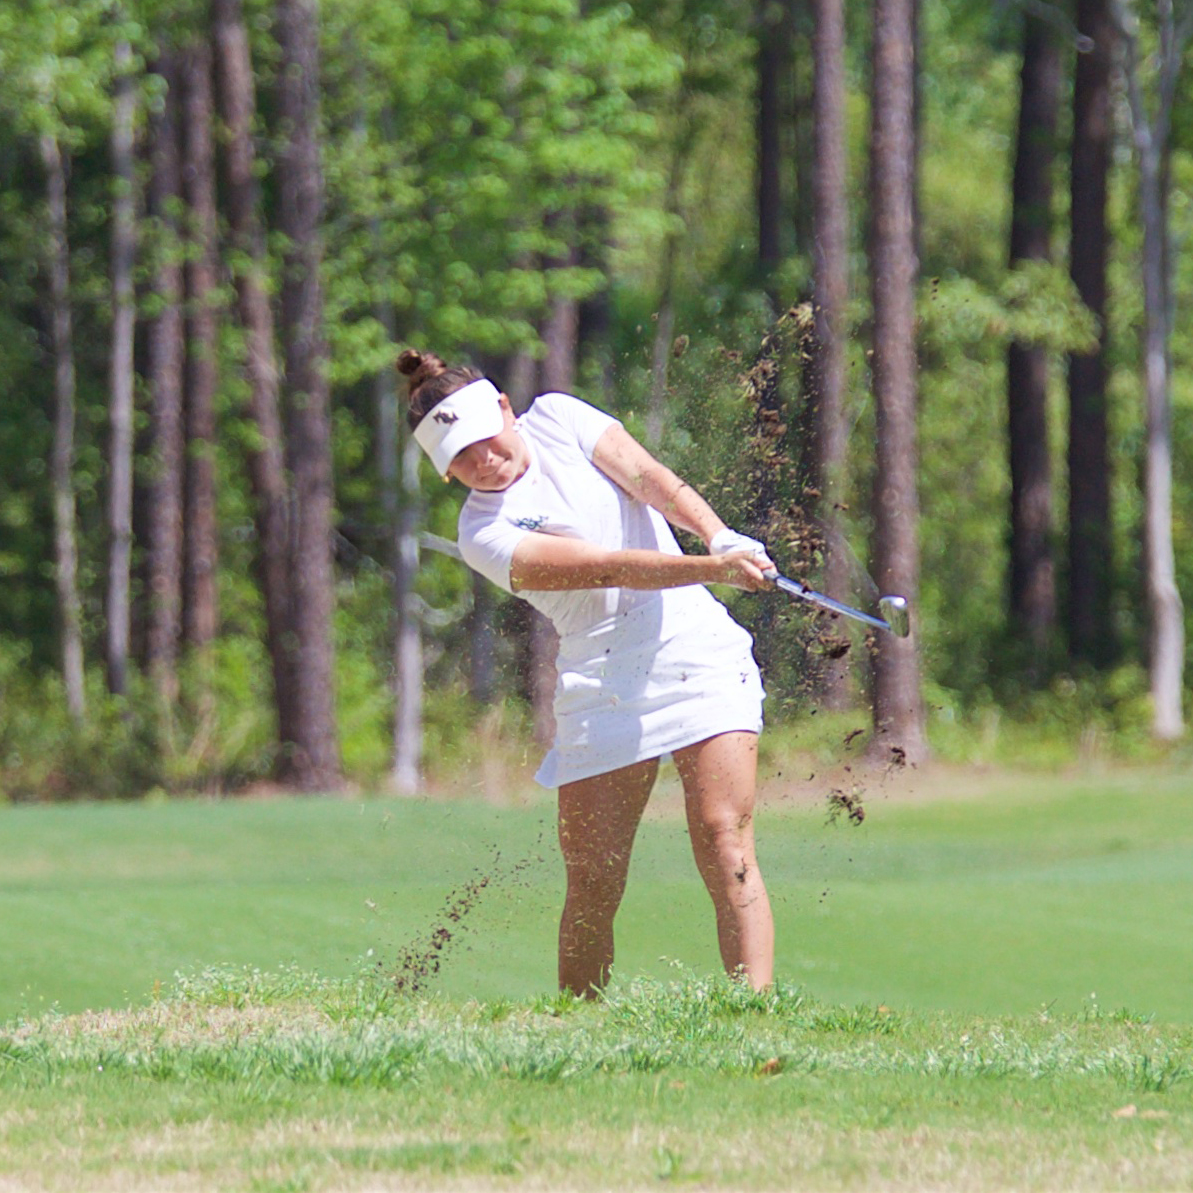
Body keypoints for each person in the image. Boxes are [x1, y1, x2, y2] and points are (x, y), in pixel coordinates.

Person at [400, 349, 776, 996]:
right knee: (594, 879)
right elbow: (606, 565)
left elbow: (648, 477)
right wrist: (715, 568)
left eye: (483, 440)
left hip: (693, 642)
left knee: (725, 838)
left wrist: (718, 536)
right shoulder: (481, 532)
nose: (481, 462)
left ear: (503, 409)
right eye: (460, 458)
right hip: (598, 678)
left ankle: (756, 1014)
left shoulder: (558, 416)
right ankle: (579, 1028)